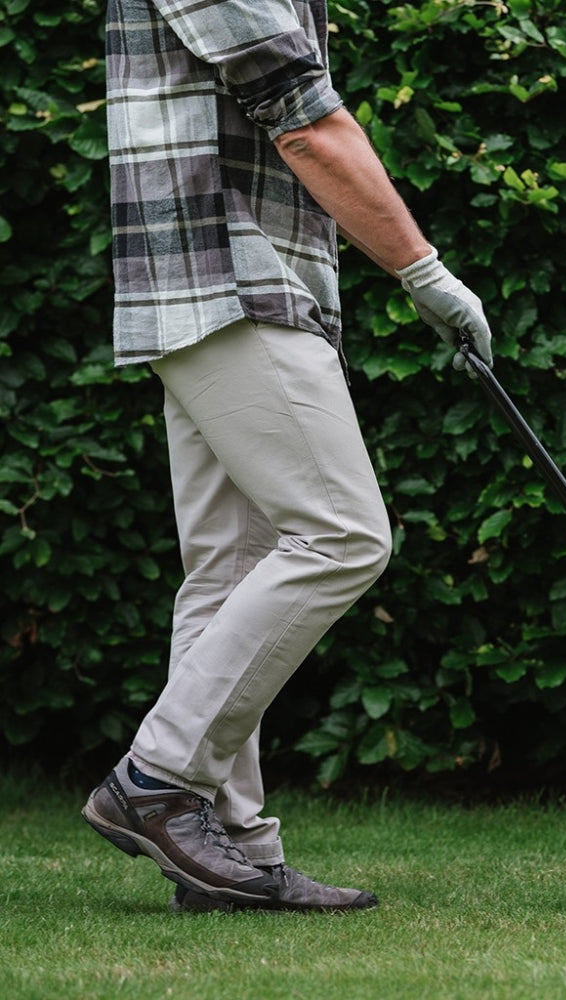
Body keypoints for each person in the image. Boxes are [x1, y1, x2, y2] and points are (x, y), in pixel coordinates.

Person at [82, 0, 493, 913]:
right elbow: (303, 118)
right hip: (230, 276)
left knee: (229, 572)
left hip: (220, 286)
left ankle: (224, 851)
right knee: (343, 534)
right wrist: (423, 271)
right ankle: (157, 780)